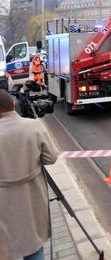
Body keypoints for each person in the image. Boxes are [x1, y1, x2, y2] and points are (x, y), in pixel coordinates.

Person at [0, 89, 59, 260]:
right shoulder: (33, 126)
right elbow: (51, 158)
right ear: (13, 104)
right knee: (32, 241)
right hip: (31, 194)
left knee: (5, 246)